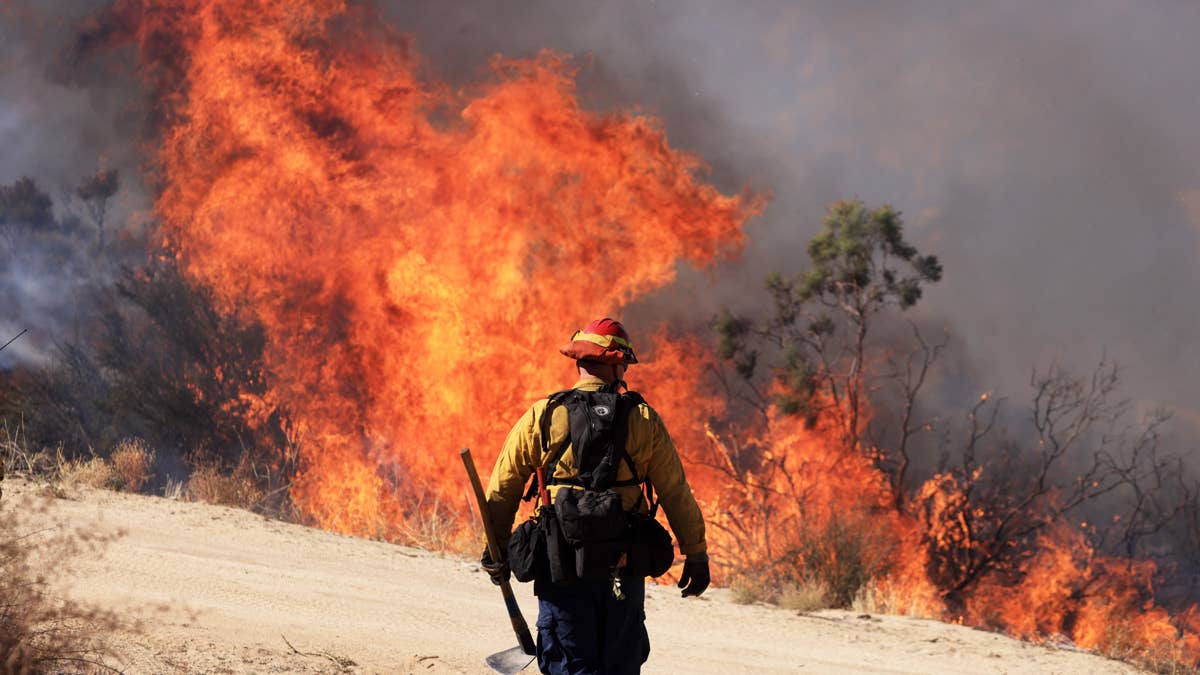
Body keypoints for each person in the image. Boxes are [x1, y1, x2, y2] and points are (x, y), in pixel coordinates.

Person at [482, 317, 710, 675]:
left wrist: (494, 548)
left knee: (568, 662)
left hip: (561, 564)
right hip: (623, 564)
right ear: (619, 365)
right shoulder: (644, 419)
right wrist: (696, 552)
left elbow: (503, 488)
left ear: (579, 362)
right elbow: (675, 492)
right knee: (620, 662)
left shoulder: (543, 415)